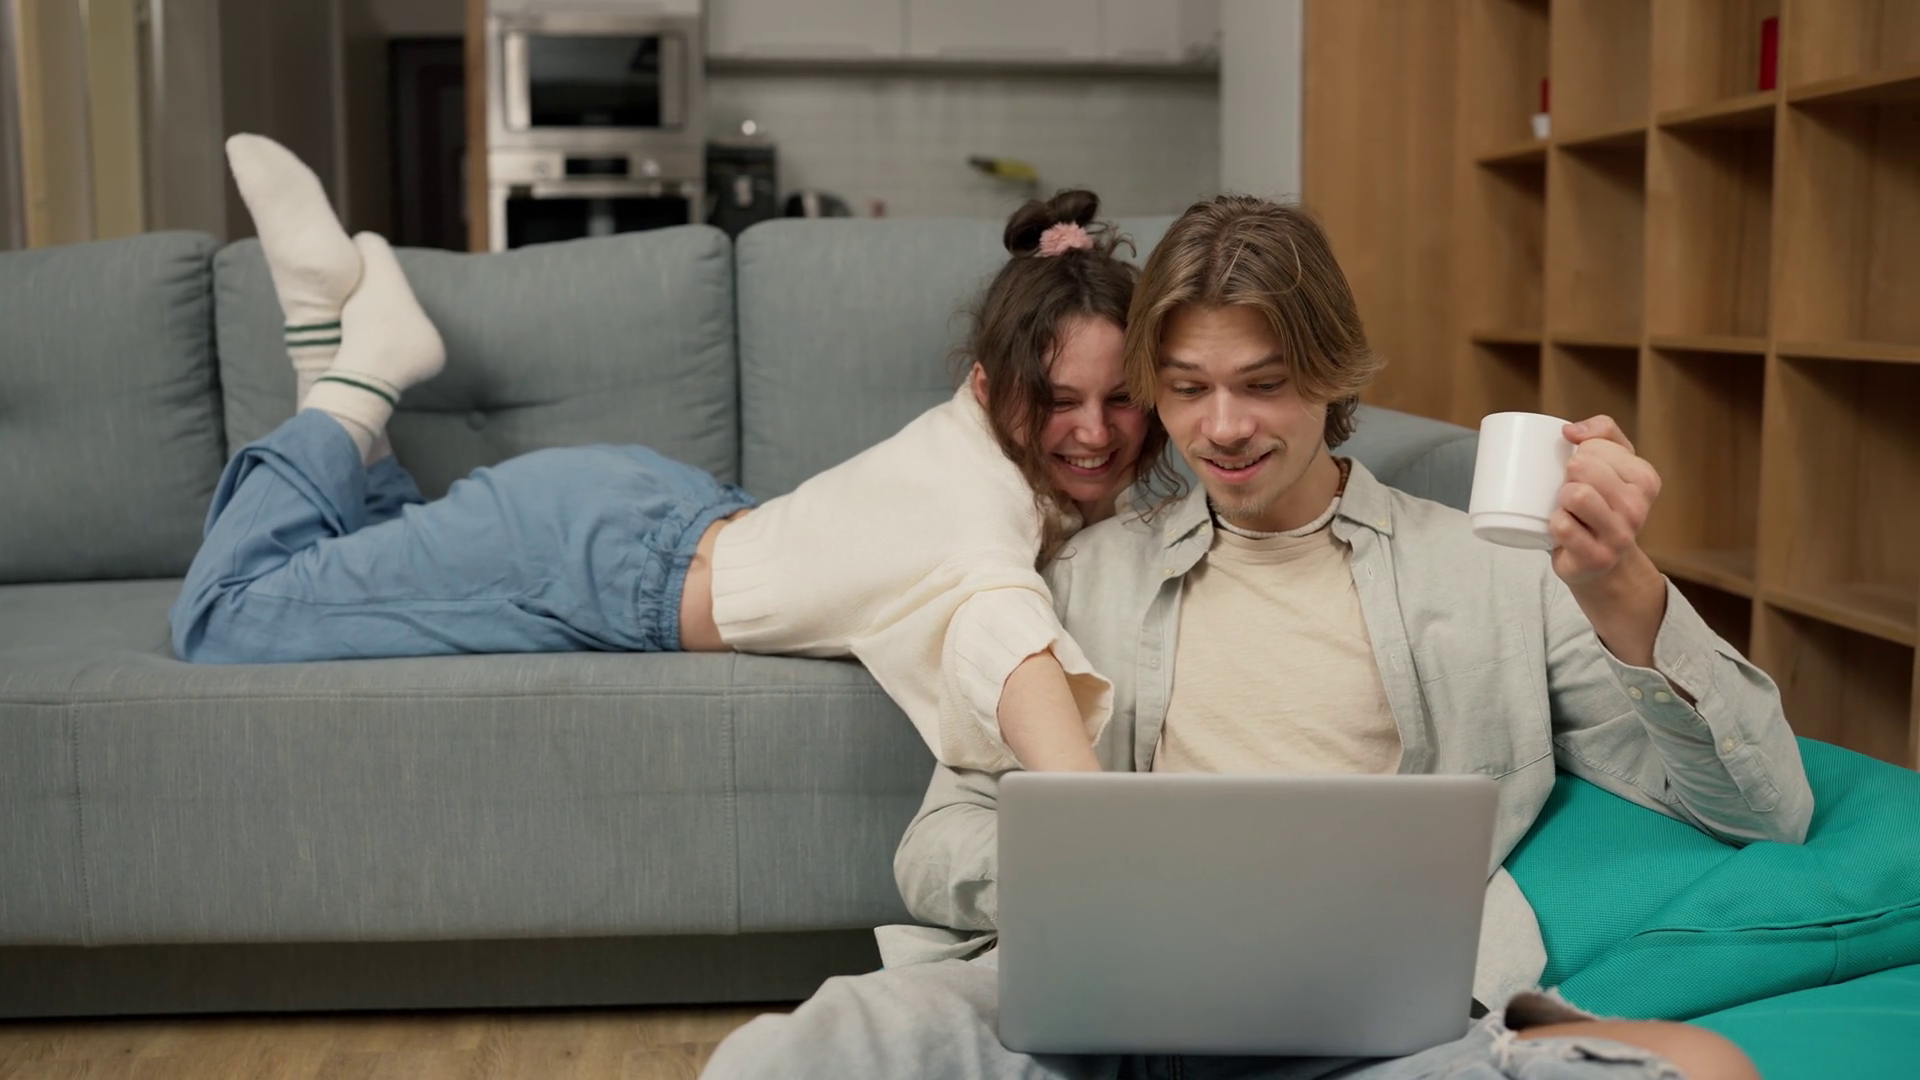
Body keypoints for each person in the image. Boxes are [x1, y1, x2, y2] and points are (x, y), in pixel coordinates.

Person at [698, 196, 1815, 1080]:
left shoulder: (1492, 575)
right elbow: (937, 845)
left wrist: (1624, 582)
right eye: (1186, 390)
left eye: (1263, 385)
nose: (1222, 429)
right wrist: (1092, 878)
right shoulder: (1084, 575)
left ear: (1332, 374)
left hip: (1368, 1030)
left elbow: (1762, 807)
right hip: (1090, 1002)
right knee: (791, 1055)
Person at [170, 135, 1167, 774]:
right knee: (226, 616)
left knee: (368, 563)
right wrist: (1094, 833)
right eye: (1059, 402)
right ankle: (363, 371)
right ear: (989, 387)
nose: (1093, 432)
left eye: (1122, 399)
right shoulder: (977, 516)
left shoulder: (999, 452)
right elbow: (1007, 635)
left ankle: (321, 329)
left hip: (648, 518)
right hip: (585, 559)